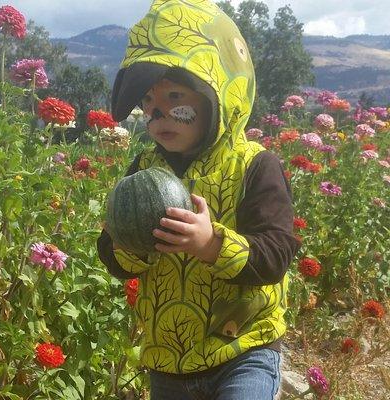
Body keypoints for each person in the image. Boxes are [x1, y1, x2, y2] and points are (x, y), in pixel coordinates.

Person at [97, 0, 301, 399]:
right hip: (169, 358)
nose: (160, 114)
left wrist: (211, 244)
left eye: (176, 96)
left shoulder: (255, 166)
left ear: (218, 97)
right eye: (150, 103)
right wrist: (128, 244)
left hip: (244, 348)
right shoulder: (142, 167)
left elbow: (276, 254)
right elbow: (113, 254)